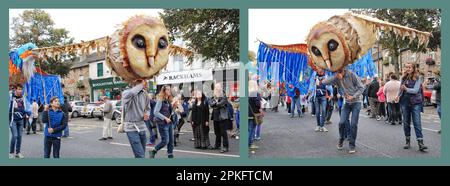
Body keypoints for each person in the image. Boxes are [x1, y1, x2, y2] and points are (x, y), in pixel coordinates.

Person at [323, 68, 365, 154]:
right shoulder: (337, 77)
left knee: (353, 124)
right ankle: (341, 139)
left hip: (356, 102)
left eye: (340, 71)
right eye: (337, 71)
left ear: (343, 69)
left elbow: (361, 88)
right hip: (346, 103)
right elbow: (324, 82)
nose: (338, 73)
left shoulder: (351, 74)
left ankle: (352, 145)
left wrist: (353, 96)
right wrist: (335, 76)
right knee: (342, 122)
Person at [397, 63, 428, 151]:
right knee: (406, 123)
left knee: (417, 123)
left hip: (415, 103)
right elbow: (400, 89)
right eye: (406, 67)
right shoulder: (403, 78)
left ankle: (420, 143)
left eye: (409, 67)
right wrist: (397, 96)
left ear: (413, 68)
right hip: (404, 102)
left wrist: (406, 89)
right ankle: (407, 141)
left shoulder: (418, 78)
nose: (407, 69)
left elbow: (415, 90)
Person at [122, 80, 150, 158]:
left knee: (141, 154)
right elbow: (132, 93)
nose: (145, 83)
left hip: (142, 127)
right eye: (142, 82)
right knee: (141, 155)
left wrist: (147, 114)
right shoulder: (126, 93)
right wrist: (141, 85)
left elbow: (148, 108)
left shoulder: (145, 94)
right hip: (131, 128)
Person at [151, 85, 175, 158]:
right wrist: (165, 118)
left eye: (169, 89)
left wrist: (174, 107)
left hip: (169, 123)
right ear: (164, 91)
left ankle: (170, 155)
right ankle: (154, 150)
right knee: (165, 141)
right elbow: (155, 112)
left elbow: (170, 112)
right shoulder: (160, 100)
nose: (169, 91)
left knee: (171, 141)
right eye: (167, 90)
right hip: (162, 123)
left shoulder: (168, 100)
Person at [209, 83, 231, 153]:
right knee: (216, 132)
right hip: (215, 116)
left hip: (222, 116)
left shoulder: (224, 94)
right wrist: (215, 103)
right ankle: (217, 145)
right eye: (216, 87)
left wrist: (215, 103)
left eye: (218, 87)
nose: (217, 88)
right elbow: (210, 103)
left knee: (223, 132)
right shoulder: (214, 95)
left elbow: (222, 103)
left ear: (221, 88)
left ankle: (225, 147)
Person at [9, 85, 29, 159]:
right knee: (15, 136)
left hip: (20, 120)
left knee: (20, 136)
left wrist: (27, 113)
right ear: (15, 90)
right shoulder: (11, 97)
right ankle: (11, 152)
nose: (20, 91)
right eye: (19, 89)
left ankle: (18, 152)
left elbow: (26, 107)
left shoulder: (23, 98)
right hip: (13, 120)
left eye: (21, 89)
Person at [313, 68, 333, 132]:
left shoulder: (326, 76)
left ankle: (322, 126)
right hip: (316, 96)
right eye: (319, 68)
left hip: (324, 96)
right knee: (317, 112)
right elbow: (311, 84)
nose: (320, 69)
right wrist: (309, 93)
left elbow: (329, 86)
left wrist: (331, 94)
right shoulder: (314, 75)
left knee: (324, 110)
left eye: (321, 68)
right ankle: (318, 125)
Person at [248, 80, 261, 151]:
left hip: (246, 113)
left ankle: (248, 143)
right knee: (252, 129)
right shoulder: (256, 93)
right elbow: (258, 104)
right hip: (253, 114)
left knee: (248, 129)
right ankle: (250, 143)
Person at [433, 69, 441, 133]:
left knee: (440, 111)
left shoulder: (439, 80)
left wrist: (435, 82)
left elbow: (435, 87)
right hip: (439, 100)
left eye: (435, 74)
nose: (434, 76)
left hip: (441, 100)